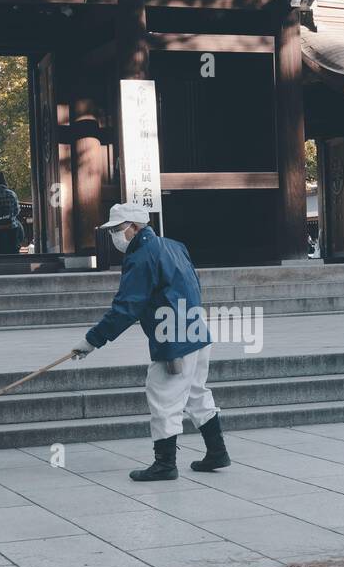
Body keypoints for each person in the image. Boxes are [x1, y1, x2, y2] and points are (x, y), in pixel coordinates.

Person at [70, 203, 231, 480]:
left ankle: (165, 464)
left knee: (163, 398)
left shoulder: (142, 255)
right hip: (196, 331)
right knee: (196, 393)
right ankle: (217, 452)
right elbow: (194, 284)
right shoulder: (174, 245)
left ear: (134, 227)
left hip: (173, 340)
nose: (115, 237)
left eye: (118, 230)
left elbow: (126, 307)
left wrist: (91, 341)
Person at [0, 171, 25, 255]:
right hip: (11, 226)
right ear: (5, 183)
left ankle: (3, 267)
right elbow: (17, 210)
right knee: (13, 249)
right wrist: (11, 216)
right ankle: (15, 267)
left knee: (1, 250)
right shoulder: (11, 194)